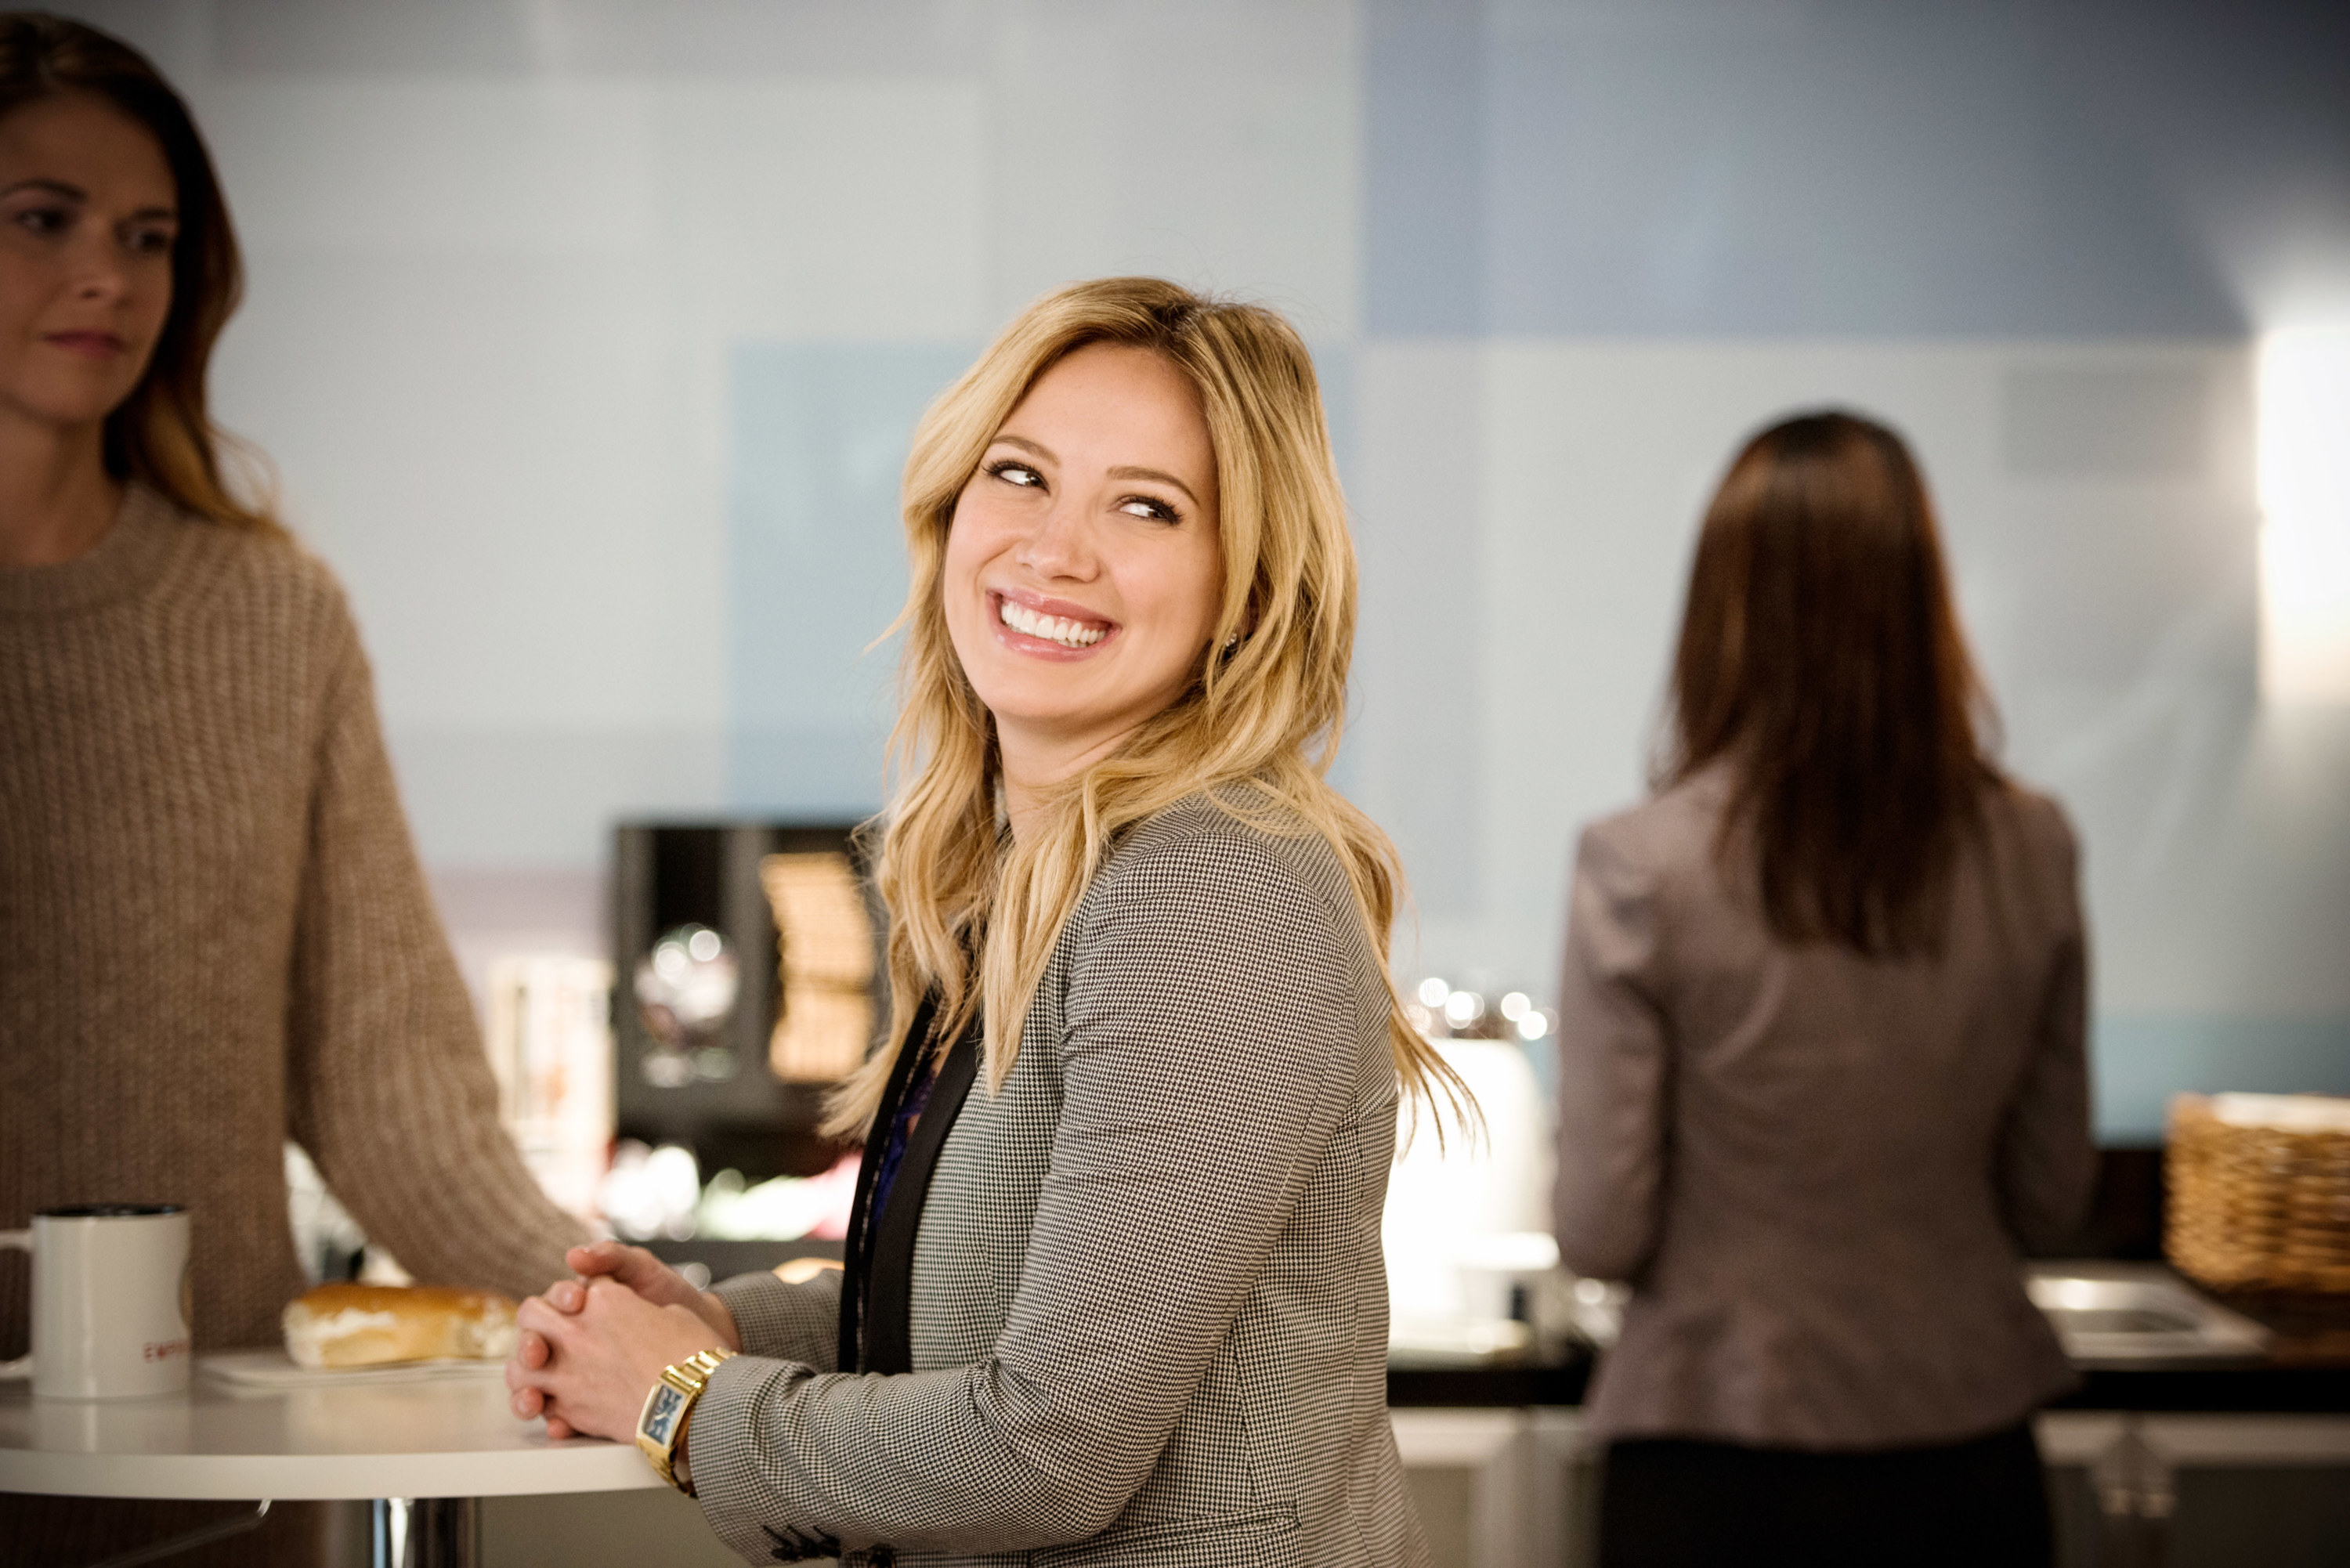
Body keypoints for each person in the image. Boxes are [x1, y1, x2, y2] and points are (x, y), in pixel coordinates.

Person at [507, 276, 1464, 1566]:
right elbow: (996, 1303)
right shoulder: (1034, 866)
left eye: (1146, 505)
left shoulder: (1213, 882)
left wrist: (678, 1402)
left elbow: (1047, 1445)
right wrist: (719, 1326)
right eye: (1020, 477)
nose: (1056, 549)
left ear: (1245, 587)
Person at [0, 15, 587, 1563]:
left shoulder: (269, 618)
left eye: (150, 237)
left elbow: (390, 1086)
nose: (110, 278)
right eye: (42, 220)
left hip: (207, 1498)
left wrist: (622, 1298)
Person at [1551, 410, 2095, 1567]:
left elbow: (1603, 1226)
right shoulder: (2034, 846)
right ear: (1920, 603)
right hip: (1965, 1462)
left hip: (1713, 1467)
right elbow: (2052, 1194)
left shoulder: (1641, 862)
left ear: (1723, 609)